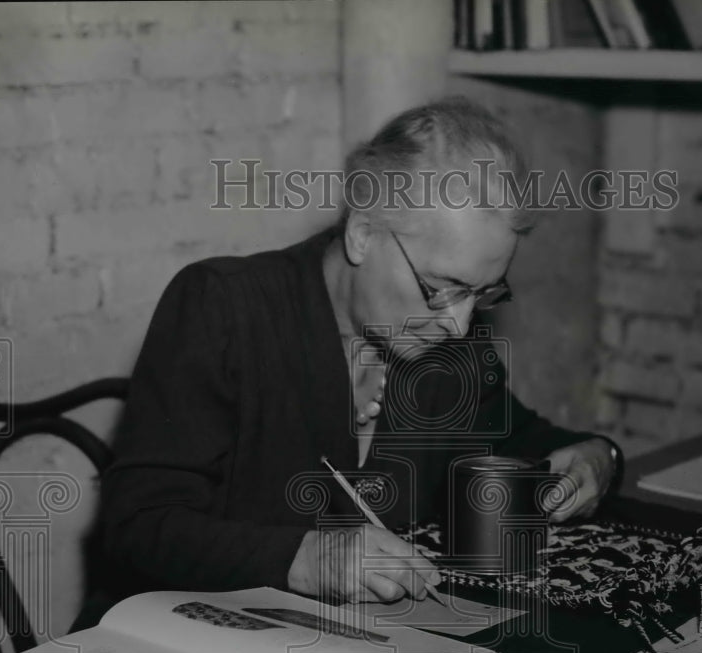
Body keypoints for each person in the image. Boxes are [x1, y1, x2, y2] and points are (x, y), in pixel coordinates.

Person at [94, 97, 623, 618]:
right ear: (363, 233)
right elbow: (135, 526)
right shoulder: (224, 307)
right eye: (442, 287)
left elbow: (511, 438)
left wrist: (598, 456)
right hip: (183, 639)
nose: (459, 323)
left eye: (483, 293)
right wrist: (303, 559)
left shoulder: (446, 339)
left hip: (349, 652)